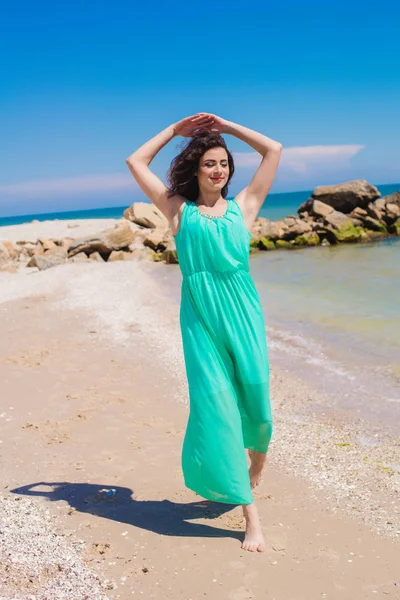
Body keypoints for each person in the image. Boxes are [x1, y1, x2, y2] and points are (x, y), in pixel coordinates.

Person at [126, 113, 282, 552]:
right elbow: (135, 160)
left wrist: (227, 127)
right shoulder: (179, 210)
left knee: (259, 413)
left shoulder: (245, 207)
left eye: (224, 164)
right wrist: (175, 131)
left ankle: (254, 467)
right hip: (201, 322)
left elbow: (274, 150)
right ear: (195, 170)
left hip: (244, 318)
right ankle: (251, 516)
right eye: (210, 163)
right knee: (221, 412)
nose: (218, 170)